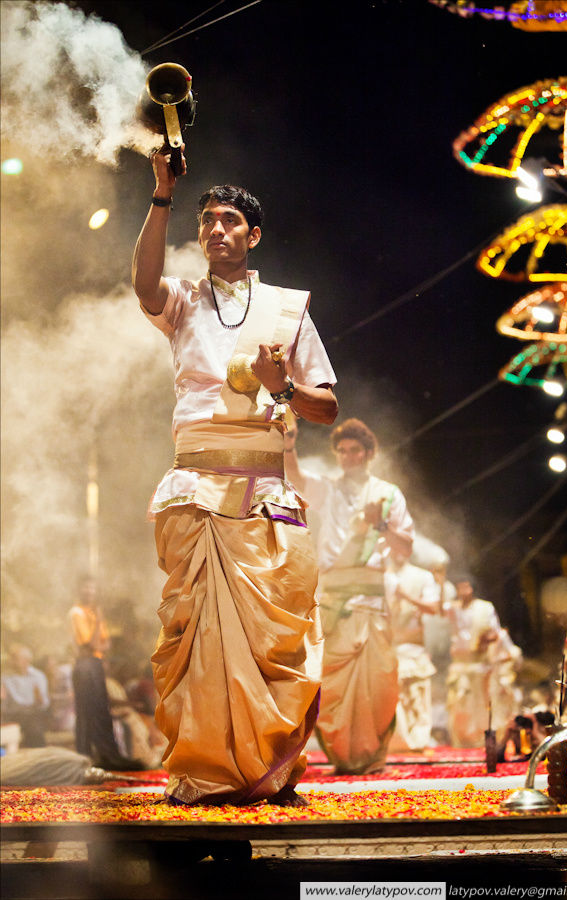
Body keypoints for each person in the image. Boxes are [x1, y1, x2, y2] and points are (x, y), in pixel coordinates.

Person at [132, 144, 337, 806]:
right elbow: (142, 285)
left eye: (229, 221)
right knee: (199, 638)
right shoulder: (183, 300)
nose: (216, 230)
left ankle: (271, 767)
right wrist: (162, 193)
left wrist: (283, 387)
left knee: (272, 636)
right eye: (207, 221)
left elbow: (327, 407)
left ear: (253, 235)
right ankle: (203, 769)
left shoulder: (287, 309)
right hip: (195, 486)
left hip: (264, 488)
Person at [284, 418, 414, 773]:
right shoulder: (327, 489)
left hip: (372, 600)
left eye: (355, 450)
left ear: (369, 453)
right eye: (341, 451)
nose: (347, 457)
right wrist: (290, 444)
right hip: (335, 599)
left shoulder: (388, 495)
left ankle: (371, 756)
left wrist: (381, 526)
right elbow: (294, 479)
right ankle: (342, 755)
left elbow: (405, 548)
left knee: (380, 682)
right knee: (334, 683)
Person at [69, 577, 140, 769]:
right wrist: (98, 623)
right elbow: (92, 644)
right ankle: (85, 757)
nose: (90, 592)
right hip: (84, 667)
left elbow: (106, 644)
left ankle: (106, 757)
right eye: (86, 588)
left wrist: (98, 637)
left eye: (93, 589)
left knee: (101, 712)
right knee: (86, 713)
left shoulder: (94, 613)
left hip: (96, 663)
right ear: (80, 590)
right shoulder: (77, 613)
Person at [383, 557, 440, 751]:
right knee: (393, 700)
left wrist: (405, 596)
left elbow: (433, 608)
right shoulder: (380, 574)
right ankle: (397, 742)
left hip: (414, 650)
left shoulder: (421, 577)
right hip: (388, 647)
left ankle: (418, 741)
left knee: (417, 698)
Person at [445, 575, 501, 747]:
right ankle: (461, 739)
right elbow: (438, 612)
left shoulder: (485, 608)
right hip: (459, 664)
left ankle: (480, 737)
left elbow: (495, 632)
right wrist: (440, 583)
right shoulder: (452, 608)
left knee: (479, 702)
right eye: (459, 588)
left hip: (479, 663)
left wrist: (482, 642)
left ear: (472, 589)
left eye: (466, 587)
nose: (463, 591)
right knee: (459, 701)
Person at [1, 645, 50, 747]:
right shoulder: (5, 678)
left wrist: (39, 701)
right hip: (11, 716)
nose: (11, 661)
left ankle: (38, 758)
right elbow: (4, 705)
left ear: (26, 660)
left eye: (15, 658)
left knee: (35, 730)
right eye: (12, 658)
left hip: (32, 715)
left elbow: (44, 704)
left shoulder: (38, 676)